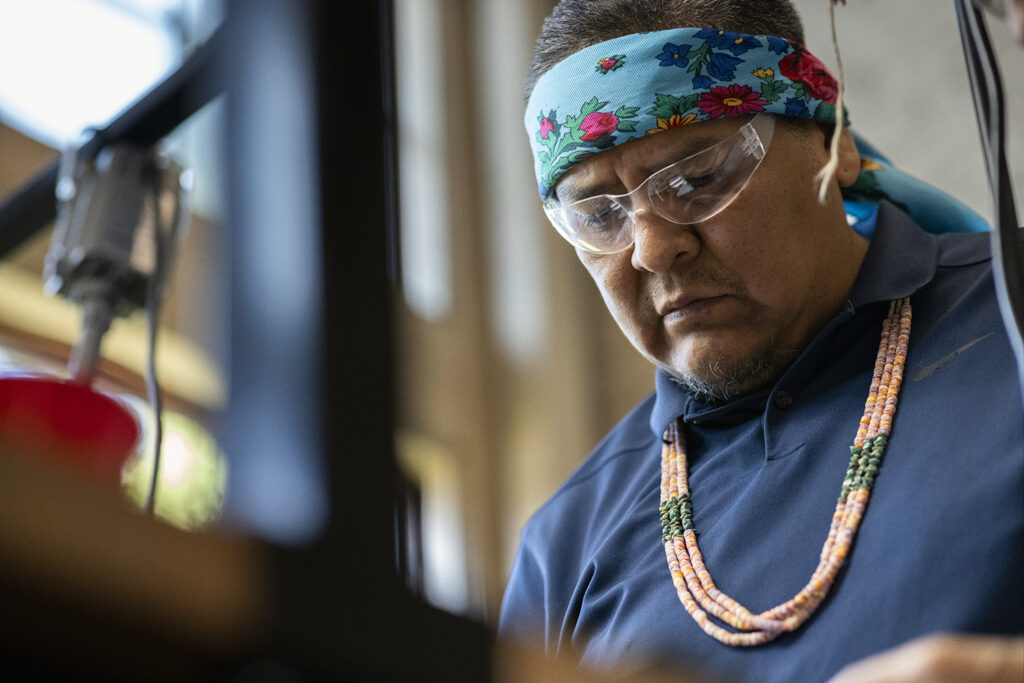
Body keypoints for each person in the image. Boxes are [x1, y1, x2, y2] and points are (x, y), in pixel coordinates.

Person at [498, 1, 1024, 681]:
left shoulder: (1008, 314)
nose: (655, 250)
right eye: (601, 216)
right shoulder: (564, 549)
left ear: (831, 143)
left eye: (696, 179)